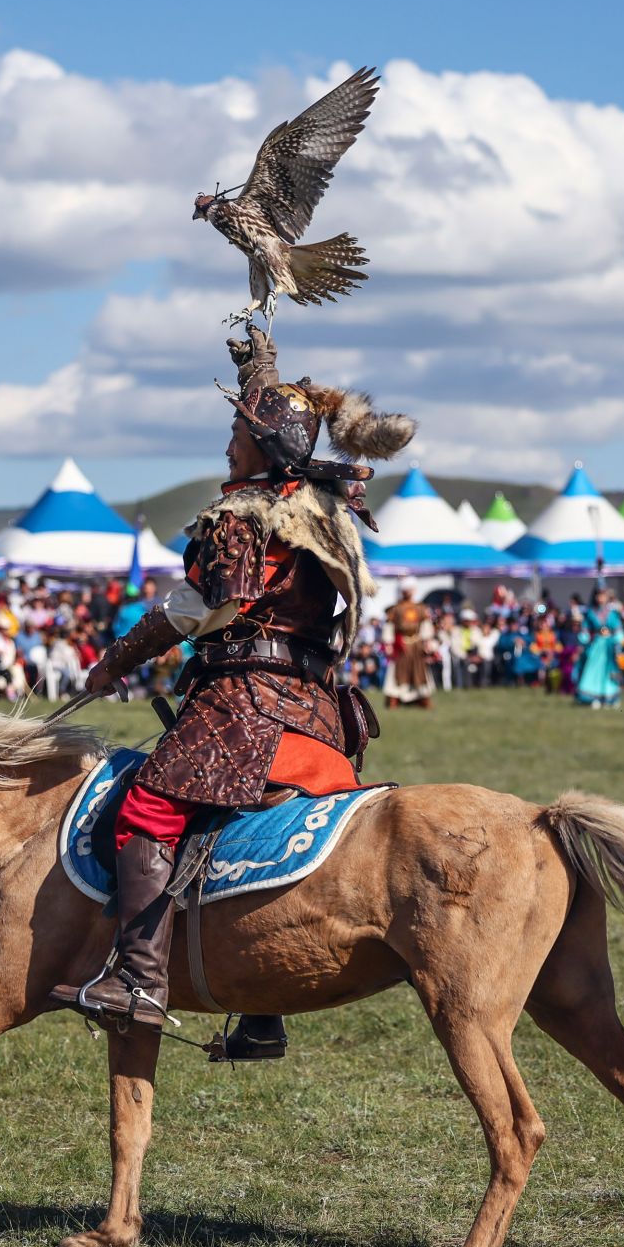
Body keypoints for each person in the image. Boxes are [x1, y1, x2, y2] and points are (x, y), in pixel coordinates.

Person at [50, 327, 409, 1060]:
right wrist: (258, 364)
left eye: (238, 433)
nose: (227, 445)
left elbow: (200, 608)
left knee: (147, 810)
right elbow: (285, 424)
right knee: (230, 828)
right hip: (317, 717)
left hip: (246, 707)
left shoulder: (241, 520)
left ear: (265, 447)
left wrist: (114, 661)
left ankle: (140, 981)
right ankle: (260, 1003)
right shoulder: (312, 508)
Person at [382, 579, 435, 708]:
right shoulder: (395, 609)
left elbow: (426, 625)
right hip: (401, 644)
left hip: (417, 644)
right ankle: (395, 699)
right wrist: (388, 644)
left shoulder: (421, 608)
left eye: (410, 589)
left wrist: (427, 641)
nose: (408, 592)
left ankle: (422, 699)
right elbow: (389, 626)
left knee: (420, 671)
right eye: (406, 589)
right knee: (398, 672)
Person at [574, 584, 624, 708]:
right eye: (599, 594)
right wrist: (583, 637)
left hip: (609, 645)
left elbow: (618, 629)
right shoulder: (590, 612)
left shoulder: (612, 612)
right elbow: (585, 629)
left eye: (603, 594)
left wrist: (620, 641)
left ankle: (610, 697)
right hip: (596, 645)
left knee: (610, 671)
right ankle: (593, 696)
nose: (601, 597)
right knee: (594, 671)